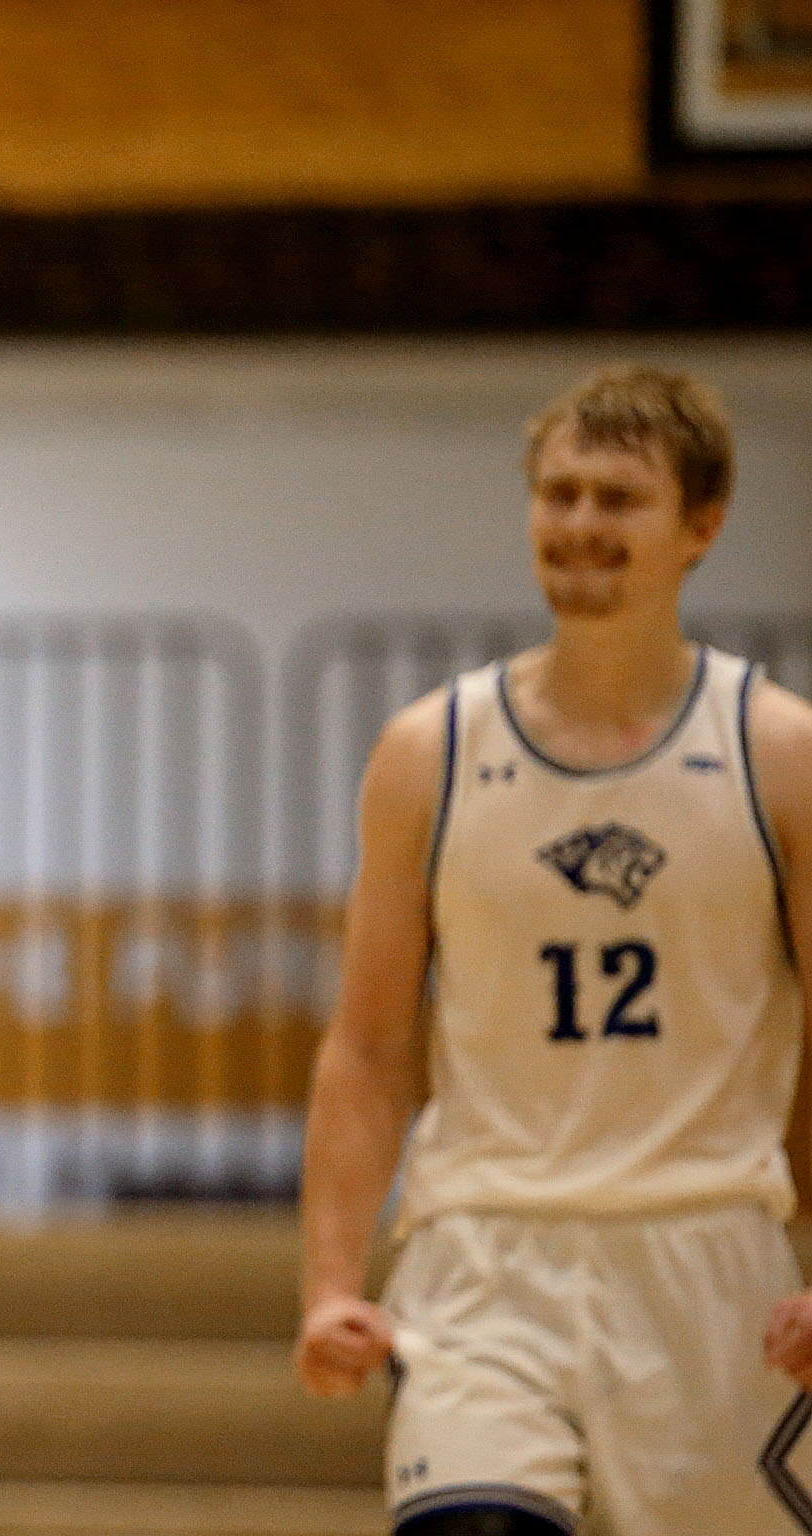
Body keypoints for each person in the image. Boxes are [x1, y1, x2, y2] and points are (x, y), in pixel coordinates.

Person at [293, 364, 812, 1536]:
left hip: (705, 1264)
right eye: (558, 494)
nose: (579, 524)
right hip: (483, 1260)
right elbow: (368, 1048)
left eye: (617, 499)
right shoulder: (428, 751)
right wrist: (328, 1282)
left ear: (699, 525)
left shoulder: (776, 753)